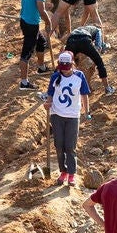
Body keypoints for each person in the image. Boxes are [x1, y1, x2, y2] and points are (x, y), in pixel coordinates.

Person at [46, 50, 91, 187]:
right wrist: (48, 104)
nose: (65, 71)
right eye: (62, 69)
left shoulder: (80, 76)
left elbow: (84, 95)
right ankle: (63, 171)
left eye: (67, 68)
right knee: (59, 145)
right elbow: (50, 93)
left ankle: (72, 174)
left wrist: (86, 111)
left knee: (70, 146)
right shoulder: (55, 77)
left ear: (72, 64)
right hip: (57, 115)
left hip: (72, 116)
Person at [19, 0, 53, 89]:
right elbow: (41, 10)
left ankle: (41, 67)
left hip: (24, 21)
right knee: (26, 54)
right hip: (31, 25)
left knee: (41, 42)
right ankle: (24, 83)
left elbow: (27, 5)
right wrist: (48, 22)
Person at [63, 24, 115, 96]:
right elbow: (98, 47)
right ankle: (107, 88)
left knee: (64, 63)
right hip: (84, 41)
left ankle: (50, 92)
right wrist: (99, 50)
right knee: (99, 63)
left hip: (71, 41)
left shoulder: (80, 29)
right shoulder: (97, 30)